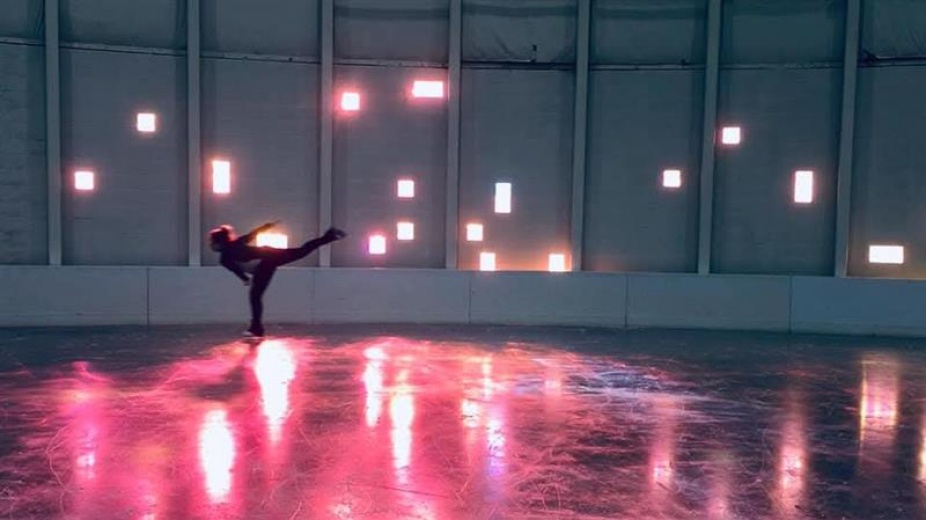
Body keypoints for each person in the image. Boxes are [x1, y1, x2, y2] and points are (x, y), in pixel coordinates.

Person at [209, 221, 347, 337]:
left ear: (219, 243)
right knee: (301, 251)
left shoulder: (225, 258)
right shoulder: (236, 244)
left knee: (255, 297)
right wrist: (267, 226)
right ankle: (329, 236)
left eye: (212, 242)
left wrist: (245, 279)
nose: (211, 245)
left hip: (266, 262)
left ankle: (256, 328)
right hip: (269, 257)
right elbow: (253, 234)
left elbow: (237, 270)